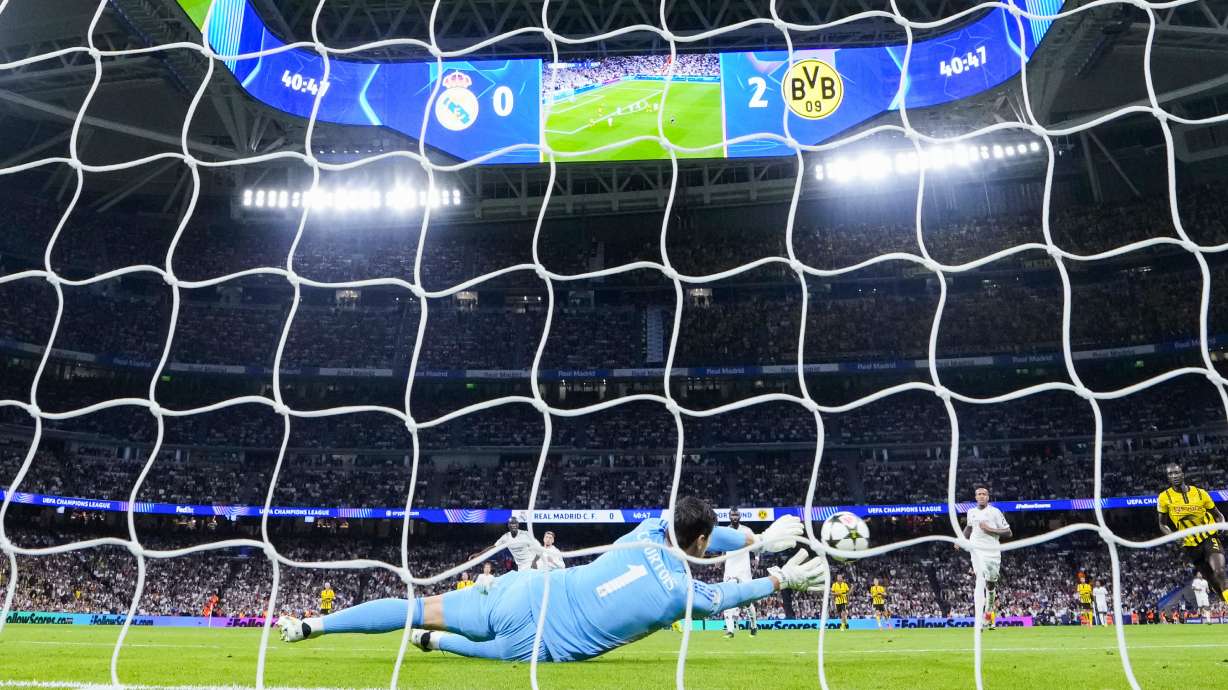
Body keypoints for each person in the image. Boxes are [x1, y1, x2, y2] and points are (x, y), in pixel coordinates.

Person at [277, 498, 822, 662]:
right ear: (701, 544)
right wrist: (779, 576)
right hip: (537, 642)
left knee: (416, 606)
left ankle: (312, 625)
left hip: (523, 591)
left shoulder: (645, 532)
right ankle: (436, 643)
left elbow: (698, 533)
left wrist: (752, 538)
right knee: (478, 651)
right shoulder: (682, 594)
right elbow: (730, 592)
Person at [1158, 463, 1228, 603]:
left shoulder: (1200, 493)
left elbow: (1218, 515)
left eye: (1176, 473)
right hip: (1190, 545)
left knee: (1219, 571)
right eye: (1170, 474)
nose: (1174, 476)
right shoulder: (1164, 497)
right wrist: (1173, 536)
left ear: (1182, 474)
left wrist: (1221, 525)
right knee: (1212, 581)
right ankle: (1225, 599)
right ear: (1168, 478)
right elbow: (1162, 524)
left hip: (1208, 537)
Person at [963, 486, 1011, 630]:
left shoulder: (995, 512)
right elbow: (969, 528)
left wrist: (990, 529)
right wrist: (960, 540)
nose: (982, 496)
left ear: (988, 497)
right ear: (976, 497)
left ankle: (989, 612)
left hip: (993, 552)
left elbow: (1008, 532)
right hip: (976, 550)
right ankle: (979, 620)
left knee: (990, 585)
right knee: (980, 579)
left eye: (984, 494)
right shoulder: (971, 512)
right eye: (979, 494)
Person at [721, 508, 758, 639]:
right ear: (729, 516)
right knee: (728, 599)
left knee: (747, 601)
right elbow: (723, 548)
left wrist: (756, 559)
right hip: (730, 569)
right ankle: (730, 630)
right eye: (732, 515)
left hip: (744, 570)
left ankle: (753, 625)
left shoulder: (746, 531)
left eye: (736, 515)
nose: (734, 517)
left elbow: (757, 545)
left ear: (740, 516)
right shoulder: (725, 531)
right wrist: (720, 559)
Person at [474, 517, 541, 572]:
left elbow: (539, 548)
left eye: (515, 523)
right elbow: (493, 547)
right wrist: (479, 554)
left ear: (518, 525)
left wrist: (535, 561)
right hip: (521, 567)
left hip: (532, 563)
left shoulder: (526, 534)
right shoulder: (506, 537)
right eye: (512, 523)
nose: (514, 525)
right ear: (508, 525)